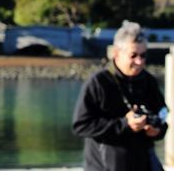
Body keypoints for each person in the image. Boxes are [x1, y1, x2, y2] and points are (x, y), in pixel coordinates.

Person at [72, 21, 168, 171]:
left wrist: (157, 130)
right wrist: (124, 125)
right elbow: (81, 125)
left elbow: (162, 116)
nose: (139, 61)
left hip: (143, 163)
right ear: (116, 53)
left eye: (143, 56)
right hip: (105, 165)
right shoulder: (98, 82)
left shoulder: (149, 81)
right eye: (133, 55)